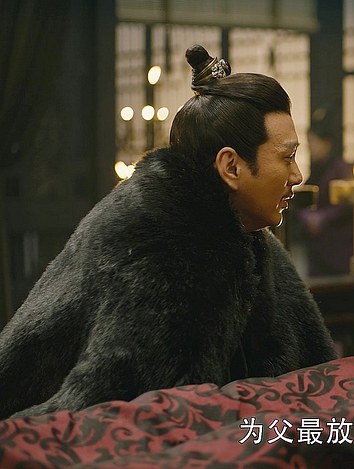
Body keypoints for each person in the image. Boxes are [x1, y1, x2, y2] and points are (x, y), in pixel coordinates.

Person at [0, 45, 336, 419]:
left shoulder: (242, 229)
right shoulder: (160, 243)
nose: (297, 176)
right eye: (287, 158)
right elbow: (119, 414)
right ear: (231, 167)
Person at [293, 110, 353, 276]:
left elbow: (346, 204)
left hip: (338, 243)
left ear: (327, 143)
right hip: (318, 244)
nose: (311, 148)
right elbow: (302, 200)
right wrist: (307, 216)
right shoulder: (317, 169)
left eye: (314, 142)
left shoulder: (340, 168)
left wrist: (322, 218)